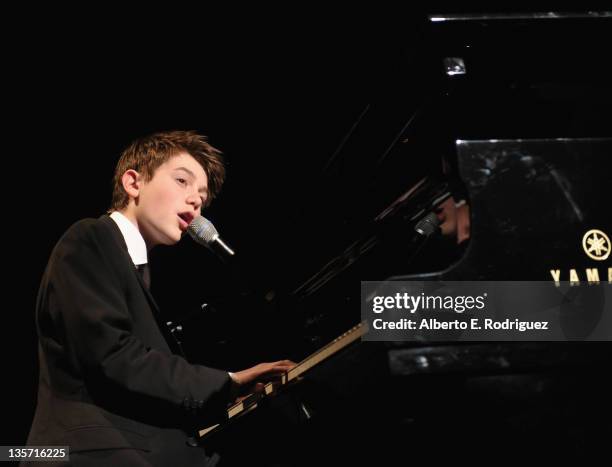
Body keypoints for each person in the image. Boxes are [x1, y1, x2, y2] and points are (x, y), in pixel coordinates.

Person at [24, 130, 295, 466]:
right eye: (182, 181)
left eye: (202, 195)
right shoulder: (89, 238)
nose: (196, 200)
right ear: (133, 183)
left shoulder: (135, 269)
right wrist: (227, 382)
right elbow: (114, 356)